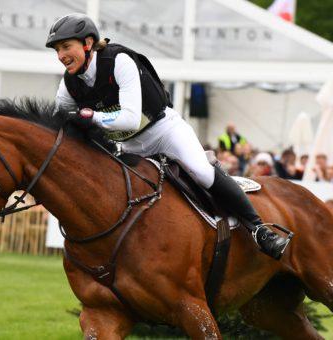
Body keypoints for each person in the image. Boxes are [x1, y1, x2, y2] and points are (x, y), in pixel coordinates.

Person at [46, 13, 290, 259]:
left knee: (202, 172)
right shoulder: (69, 84)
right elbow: (59, 125)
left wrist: (92, 117)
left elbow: (130, 118)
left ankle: (259, 229)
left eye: (66, 47)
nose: (61, 55)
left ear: (88, 43)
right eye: (57, 49)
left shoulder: (118, 60)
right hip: (128, 145)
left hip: (164, 131)